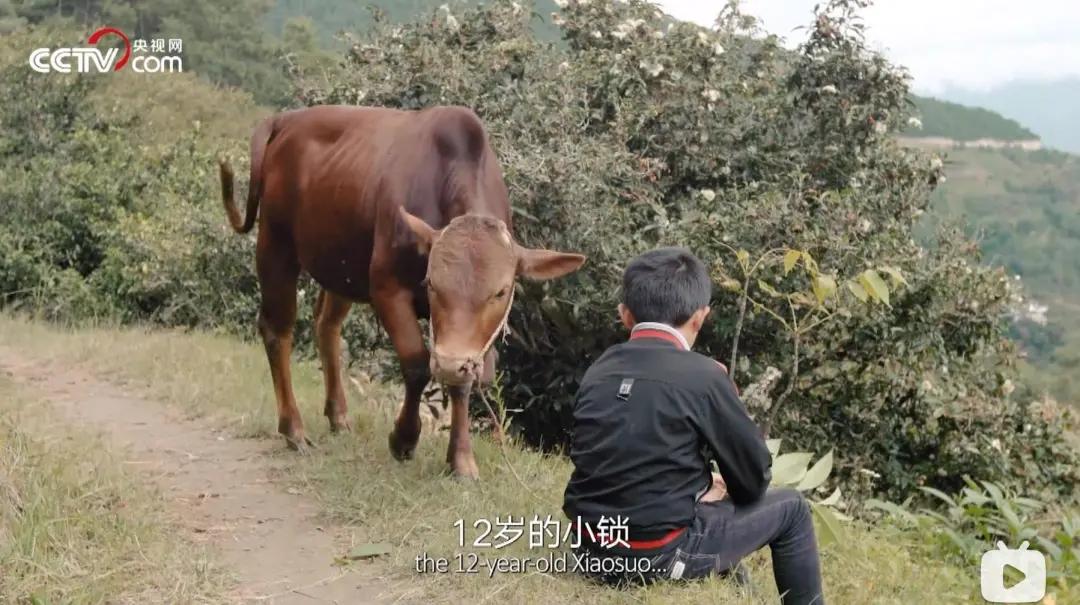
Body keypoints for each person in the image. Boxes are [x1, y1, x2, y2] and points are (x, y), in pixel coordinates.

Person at [562, 247, 825, 605]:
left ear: (625, 316)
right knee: (793, 508)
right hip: (654, 556)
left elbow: (618, 458)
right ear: (700, 318)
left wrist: (699, 487)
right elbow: (752, 483)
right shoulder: (705, 377)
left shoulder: (599, 370)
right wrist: (715, 485)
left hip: (588, 551)